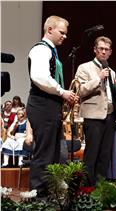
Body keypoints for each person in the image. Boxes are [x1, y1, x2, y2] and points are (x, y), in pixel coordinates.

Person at [26, 15, 77, 197]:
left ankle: (48, 193)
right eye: (61, 32)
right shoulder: (41, 50)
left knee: (54, 153)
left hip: (50, 105)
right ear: (49, 30)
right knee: (44, 153)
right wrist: (62, 91)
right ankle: (38, 196)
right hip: (42, 104)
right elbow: (39, 77)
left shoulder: (52, 51)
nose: (65, 36)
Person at [75, 36, 116, 185]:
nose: (104, 52)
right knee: (91, 154)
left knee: (105, 155)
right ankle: (86, 189)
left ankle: (100, 189)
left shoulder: (112, 72)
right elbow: (79, 90)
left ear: (110, 52)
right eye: (101, 49)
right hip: (93, 116)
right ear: (95, 50)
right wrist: (98, 78)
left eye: (107, 50)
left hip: (110, 115)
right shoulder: (84, 67)